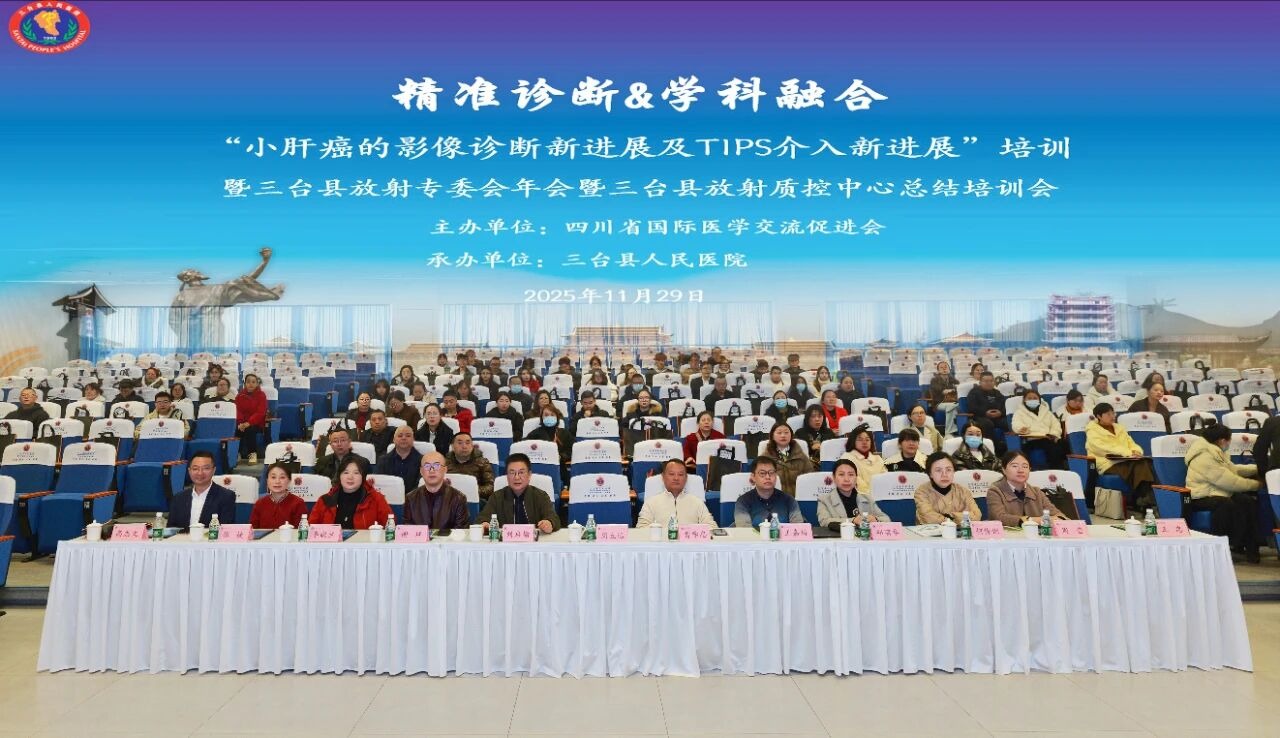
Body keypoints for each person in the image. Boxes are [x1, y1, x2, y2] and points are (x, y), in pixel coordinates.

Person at [1185, 424, 1261, 563]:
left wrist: (1258, 468)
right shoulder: (1204, 457)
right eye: (1229, 440)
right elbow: (1230, 481)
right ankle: (1222, 548)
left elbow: (1232, 469)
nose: (1229, 443)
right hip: (1200, 496)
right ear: (1222, 440)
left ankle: (1251, 549)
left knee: (1247, 501)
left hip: (1217, 492)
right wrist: (1258, 485)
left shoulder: (1216, 452)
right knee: (1227, 504)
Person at [1085, 402, 1157, 509]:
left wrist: (1136, 451)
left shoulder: (1119, 428)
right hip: (1108, 463)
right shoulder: (1092, 431)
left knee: (1146, 462)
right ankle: (1145, 500)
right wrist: (1127, 453)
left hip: (1126, 460)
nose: (1112, 416)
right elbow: (1101, 448)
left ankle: (1144, 500)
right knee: (1140, 465)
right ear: (1099, 416)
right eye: (1108, 414)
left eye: (1113, 413)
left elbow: (1130, 442)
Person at [478, 453, 560, 534]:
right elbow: (483, 518)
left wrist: (549, 523)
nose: (517, 477)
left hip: (534, 541)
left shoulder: (540, 496)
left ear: (529, 475)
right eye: (512, 473)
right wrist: (485, 524)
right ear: (507, 476)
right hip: (505, 541)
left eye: (521, 472)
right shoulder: (497, 497)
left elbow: (553, 518)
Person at [986, 450, 1069, 527]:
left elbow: (1058, 515)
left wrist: (1059, 519)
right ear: (1004, 470)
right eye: (1014, 466)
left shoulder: (1037, 492)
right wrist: (1031, 520)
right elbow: (999, 517)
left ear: (1030, 470)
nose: (1020, 470)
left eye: (1025, 466)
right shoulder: (995, 491)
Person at [309, 457, 392, 530]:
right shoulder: (325, 500)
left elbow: (390, 527)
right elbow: (310, 529)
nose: (350, 477)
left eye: (356, 473)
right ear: (339, 476)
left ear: (363, 477)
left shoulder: (376, 499)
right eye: (346, 472)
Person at [633, 458, 715, 527]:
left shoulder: (697, 502)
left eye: (680, 474)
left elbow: (712, 527)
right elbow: (641, 529)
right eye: (671, 474)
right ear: (663, 477)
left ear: (686, 478)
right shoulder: (650, 503)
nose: (676, 478)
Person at [167, 451, 236, 529]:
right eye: (195, 468)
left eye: (206, 468)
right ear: (189, 471)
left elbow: (226, 530)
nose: (200, 473)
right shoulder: (178, 498)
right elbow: (171, 530)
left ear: (214, 470)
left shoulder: (226, 497)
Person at [817, 458, 890, 531]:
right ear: (834, 478)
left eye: (851, 475)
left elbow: (886, 519)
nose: (846, 479)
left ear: (856, 478)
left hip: (864, 537)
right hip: (839, 537)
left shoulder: (867, 498)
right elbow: (824, 522)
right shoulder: (824, 500)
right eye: (841, 474)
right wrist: (853, 520)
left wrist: (876, 519)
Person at [403, 452, 470, 530]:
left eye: (436, 465)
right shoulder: (410, 499)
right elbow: (408, 532)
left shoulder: (458, 499)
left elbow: (461, 533)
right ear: (421, 471)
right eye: (427, 466)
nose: (432, 470)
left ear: (445, 470)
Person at [733, 456, 805, 527]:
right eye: (762, 473)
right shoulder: (743, 501)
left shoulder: (789, 500)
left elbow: (799, 529)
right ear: (753, 477)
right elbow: (744, 531)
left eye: (771, 473)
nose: (768, 477)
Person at [913, 452, 982, 525]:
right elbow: (928, 518)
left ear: (954, 471)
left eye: (948, 470)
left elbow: (976, 516)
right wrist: (960, 517)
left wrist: (949, 516)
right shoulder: (921, 492)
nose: (944, 475)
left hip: (959, 531)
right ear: (930, 474)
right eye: (938, 470)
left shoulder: (963, 491)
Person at [1011, 389, 1067, 469]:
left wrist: (1053, 434)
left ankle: (1063, 469)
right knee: (1054, 449)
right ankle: (1055, 469)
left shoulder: (1046, 411)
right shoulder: (1019, 413)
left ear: (1039, 400)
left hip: (1048, 437)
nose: (1032, 400)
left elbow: (1056, 425)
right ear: (1024, 400)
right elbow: (1016, 424)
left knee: (1064, 444)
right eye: (1029, 398)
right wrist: (1021, 429)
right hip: (1031, 439)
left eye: (1035, 398)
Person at [249, 462, 308, 528]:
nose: (277, 481)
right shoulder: (260, 503)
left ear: (289, 481)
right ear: (267, 480)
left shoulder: (298, 503)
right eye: (273, 477)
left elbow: (301, 531)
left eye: (282, 477)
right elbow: (253, 530)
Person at [764, 422, 814, 494]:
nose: (783, 435)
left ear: (791, 435)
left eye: (786, 432)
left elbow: (810, 477)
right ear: (772, 436)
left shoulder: (800, 455)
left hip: (798, 497)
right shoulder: (765, 458)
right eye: (779, 433)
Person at [445, 432, 495, 499]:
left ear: (472, 446)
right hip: (450, 500)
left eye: (467, 443)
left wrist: (472, 491)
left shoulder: (482, 462)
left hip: (475, 500)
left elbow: (491, 487)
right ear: (452, 446)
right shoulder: (444, 463)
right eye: (460, 443)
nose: (464, 446)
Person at [966, 372, 1009, 450]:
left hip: (997, 417)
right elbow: (972, 408)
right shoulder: (974, 393)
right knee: (987, 424)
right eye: (986, 381)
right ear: (980, 382)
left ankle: (1010, 447)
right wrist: (985, 413)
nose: (989, 383)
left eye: (991, 381)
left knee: (1009, 422)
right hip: (980, 417)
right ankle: (992, 448)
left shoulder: (997, 393)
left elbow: (1005, 405)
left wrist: (1001, 413)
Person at [376, 425, 423, 493]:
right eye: (400, 436)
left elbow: (421, 487)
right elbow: (379, 485)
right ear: (394, 440)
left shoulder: (422, 461)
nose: (404, 438)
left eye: (408, 436)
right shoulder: (383, 460)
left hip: (414, 498)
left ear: (413, 439)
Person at [840, 424, 886, 492]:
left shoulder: (878, 459)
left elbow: (885, 480)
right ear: (853, 441)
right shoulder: (846, 459)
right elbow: (858, 487)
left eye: (867, 440)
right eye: (860, 439)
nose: (864, 442)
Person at [234, 372, 267, 465]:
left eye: (253, 382)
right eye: (248, 382)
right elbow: (238, 411)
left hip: (257, 423)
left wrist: (249, 423)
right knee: (237, 429)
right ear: (245, 384)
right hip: (243, 423)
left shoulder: (261, 395)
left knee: (250, 429)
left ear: (257, 384)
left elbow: (260, 412)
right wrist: (241, 423)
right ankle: (237, 454)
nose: (251, 384)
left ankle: (252, 454)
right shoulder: (239, 396)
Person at [926, 360, 960, 436]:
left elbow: (959, 387)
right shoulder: (934, 380)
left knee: (952, 407)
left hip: (952, 402)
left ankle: (950, 432)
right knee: (952, 406)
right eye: (941, 367)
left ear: (949, 369)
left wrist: (952, 390)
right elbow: (941, 390)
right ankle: (950, 432)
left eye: (946, 367)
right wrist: (950, 390)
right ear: (938, 371)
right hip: (939, 403)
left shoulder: (952, 379)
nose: (944, 369)